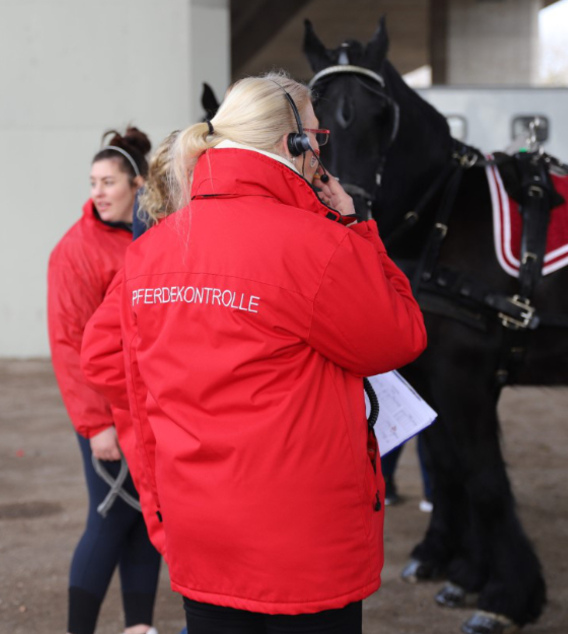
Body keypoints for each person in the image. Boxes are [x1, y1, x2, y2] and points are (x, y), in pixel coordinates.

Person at [81, 72, 427, 634]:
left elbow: (113, 369)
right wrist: (356, 225)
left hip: (200, 529)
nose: (320, 149)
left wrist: (170, 478)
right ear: (293, 143)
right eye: (317, 135)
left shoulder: (153, 249)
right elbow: (400, 336)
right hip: (302, 544)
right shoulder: (320, 245)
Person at [47, 127, 161, 634]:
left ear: (138, 184)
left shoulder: (152, 237)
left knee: (147, 518)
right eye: (93, 181)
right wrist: (96, 424)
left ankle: (139, 626)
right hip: (107, 416)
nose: (97, 191)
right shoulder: (73, 252)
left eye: (108, 181)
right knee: (111, 517)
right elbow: (69, 347)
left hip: (151, 409)